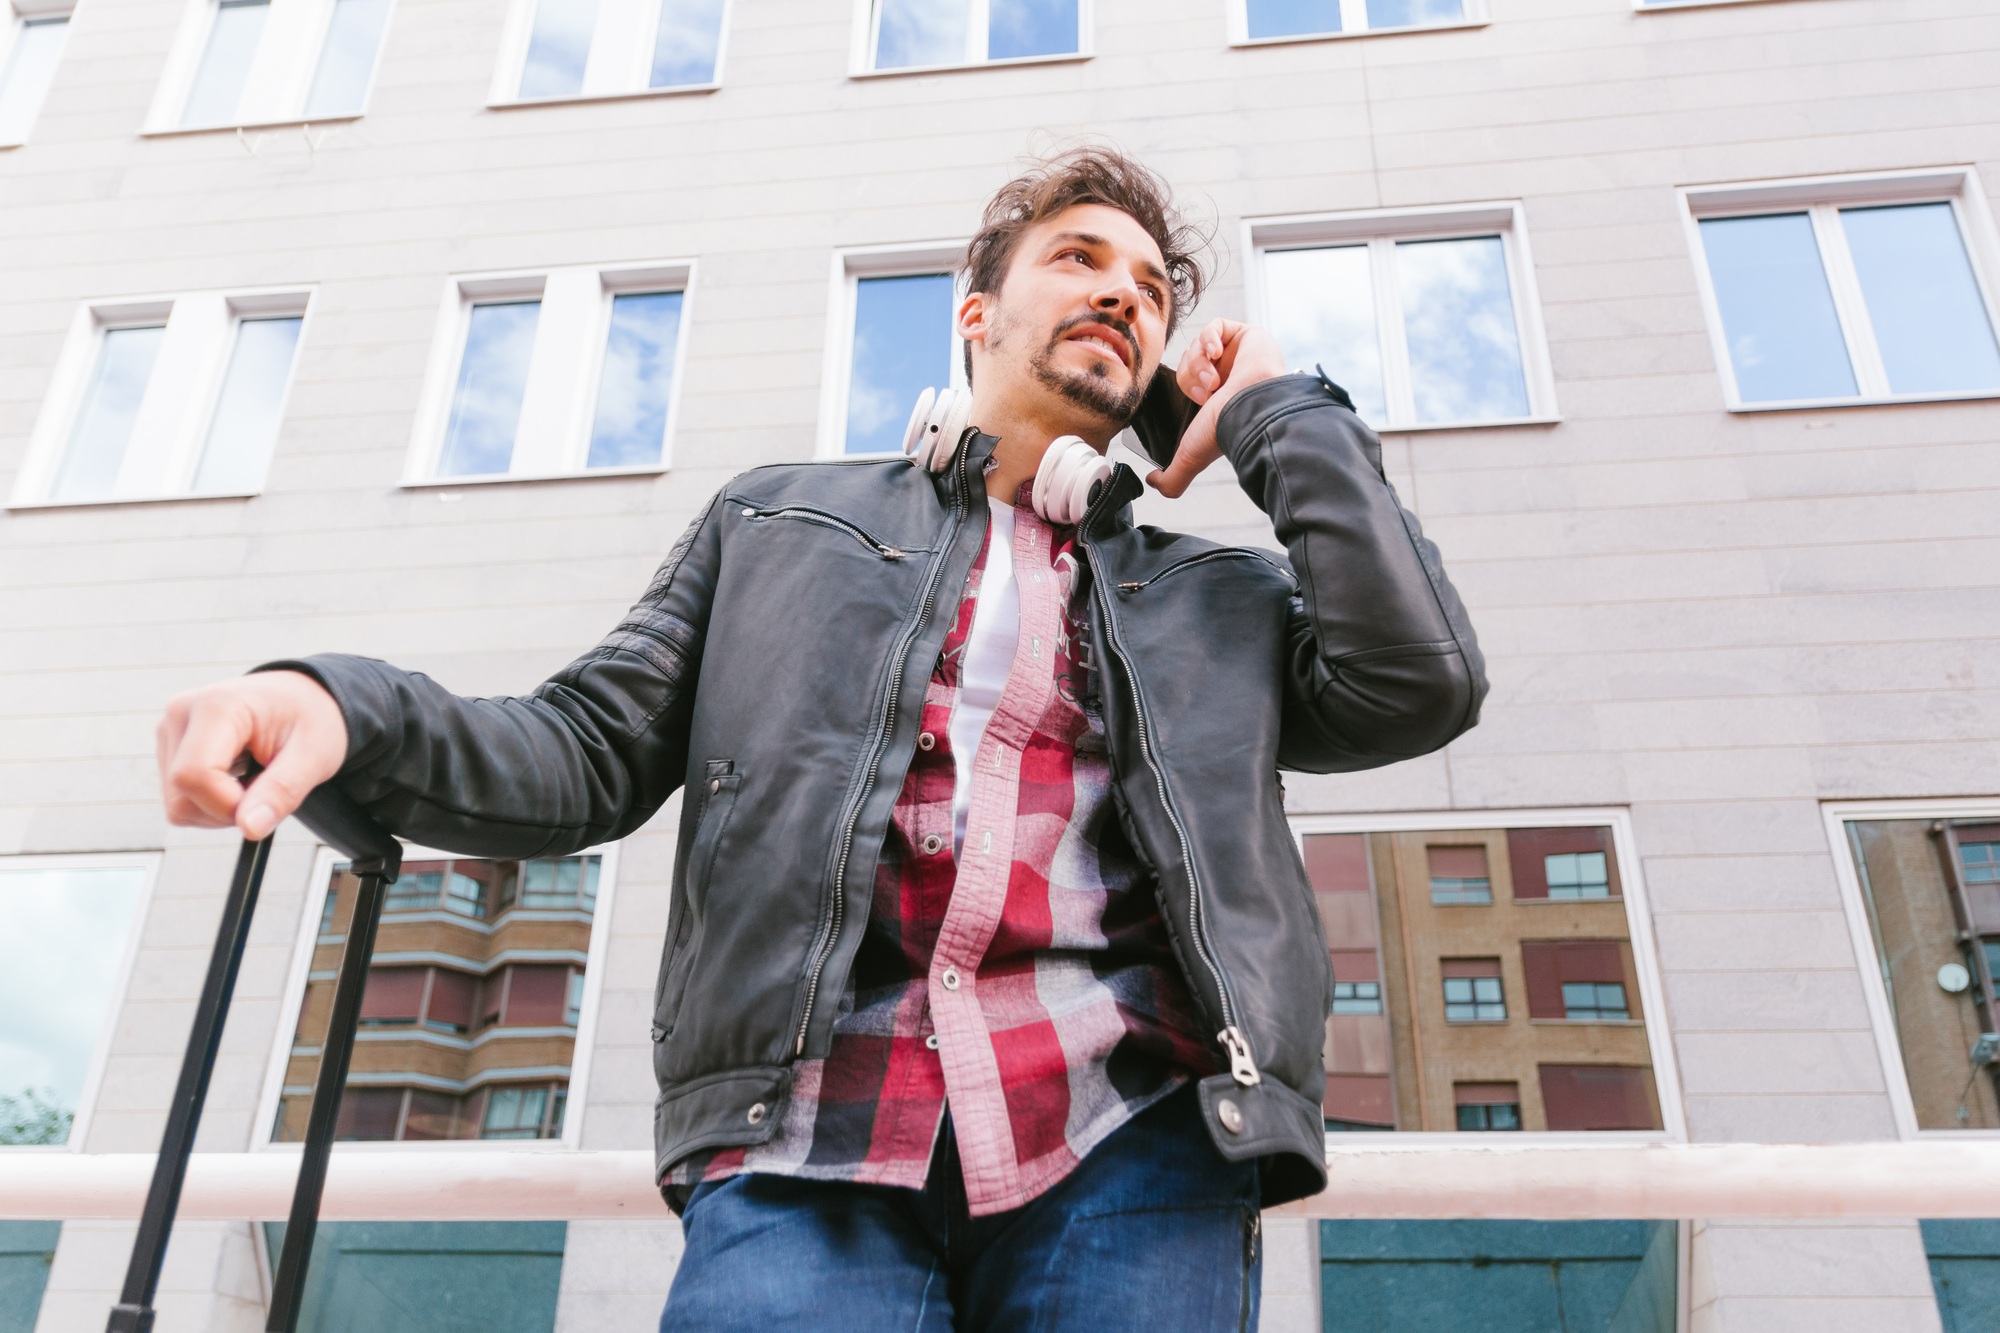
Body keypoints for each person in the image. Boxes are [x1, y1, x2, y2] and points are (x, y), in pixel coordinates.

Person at [156, 147, 1485, 1331]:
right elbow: (581, 745)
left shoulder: (1213, 599)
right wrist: (336, 704)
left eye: (1149, 287)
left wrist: (1273, 409)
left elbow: (1416, 678)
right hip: (807, 1140)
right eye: (1078, 258)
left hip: (1134, 1141)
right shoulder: (778, 525)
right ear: (975, 316)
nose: (1125, 293)